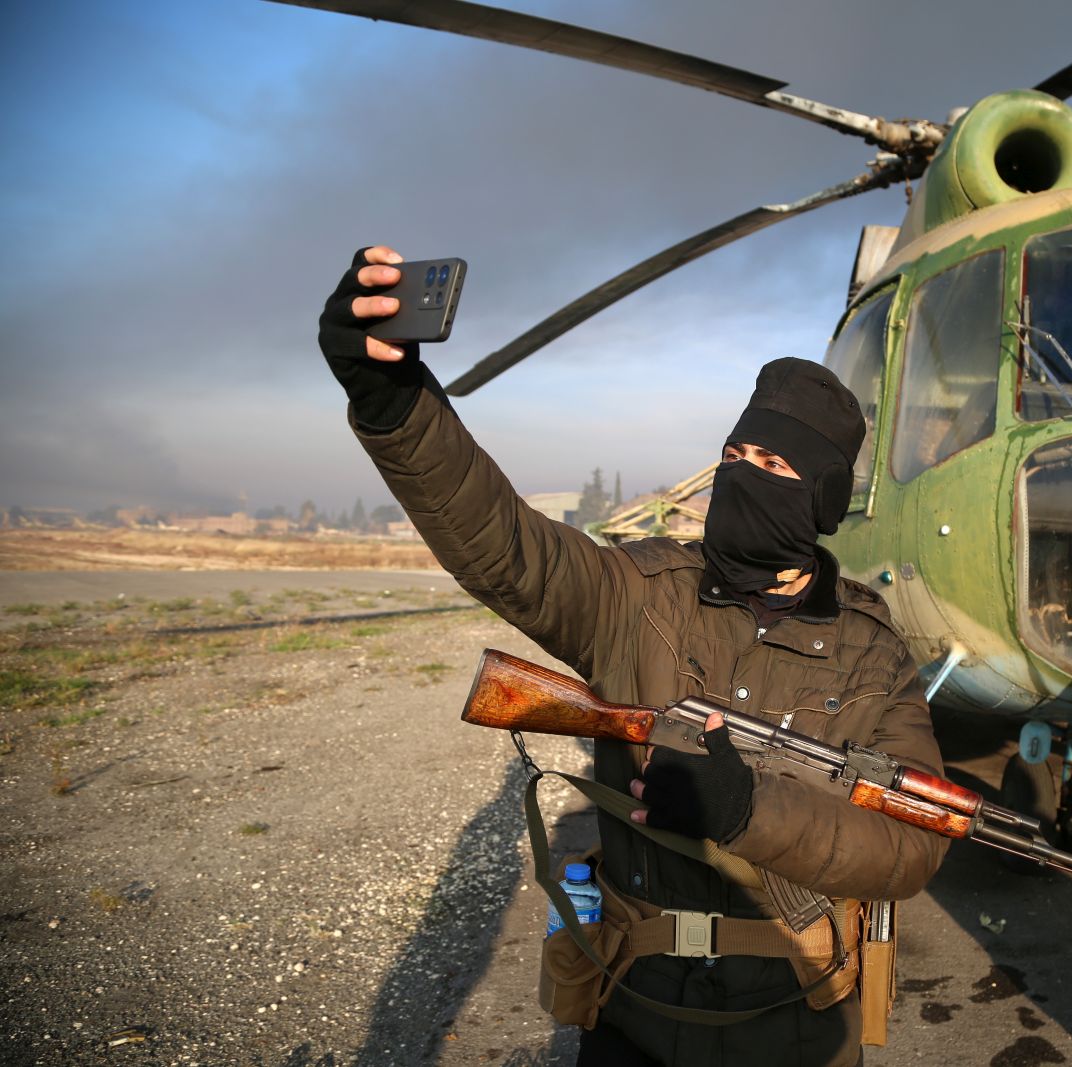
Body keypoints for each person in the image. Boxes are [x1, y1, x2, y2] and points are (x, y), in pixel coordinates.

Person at [318, 247, 948, 1067]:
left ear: (821, 499)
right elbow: (504, 544)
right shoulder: (637, 593)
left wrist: (750, 809)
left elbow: (909, 845)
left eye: (775, 466)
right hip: (634, 1008)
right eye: (735, 458)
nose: (743, 478)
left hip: (796, 1020)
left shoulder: (874, 654)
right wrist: (392, 401)